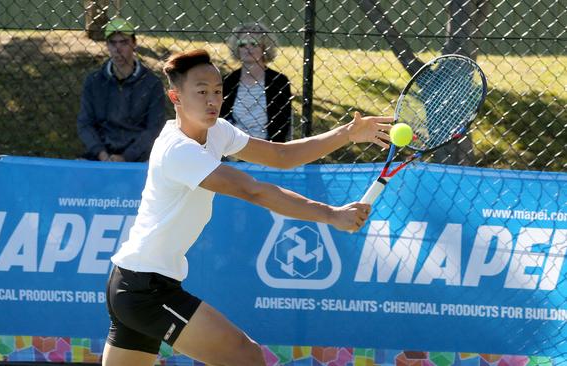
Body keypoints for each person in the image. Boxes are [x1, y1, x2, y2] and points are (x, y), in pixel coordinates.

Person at [102, 49, 393, 366]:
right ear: (176, 97)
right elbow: (253, 191)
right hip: (147, 291)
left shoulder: (217, 131)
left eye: (217, 91)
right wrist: (332, 215)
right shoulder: (178, 151)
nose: (212, 100)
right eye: (201, 92)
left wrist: (347, 133)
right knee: (247, 357)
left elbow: (282, 157)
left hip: (131, 285)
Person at [77, 17, 166, 162]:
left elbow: (154, 129)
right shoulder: (93, 81)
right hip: (101, 154)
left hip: (138, 156)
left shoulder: (152, 83)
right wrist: (101, 153)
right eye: (112, 43)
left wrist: (126, 157)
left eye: (124, 42)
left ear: (134, 44)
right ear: (107, 45)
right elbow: (85, 124)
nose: (118, 49)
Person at [220, 22, 292, 142]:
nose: (248, 47)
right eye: (242, 44)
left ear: (265, 47)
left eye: (253, 43)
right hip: (232, 146)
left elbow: (282, 125)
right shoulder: (227, 81)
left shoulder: (279, 81)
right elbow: (221, 119)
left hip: (268, 148)